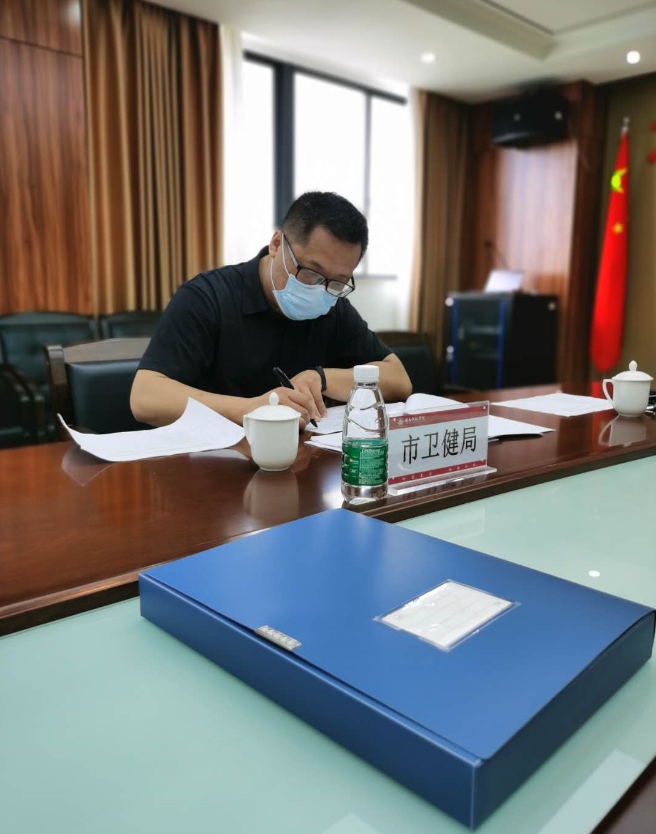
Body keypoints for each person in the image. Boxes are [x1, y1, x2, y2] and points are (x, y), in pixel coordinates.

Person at [130, 191, 412, 429]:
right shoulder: (207, 297)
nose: (320, 290)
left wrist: (322, 377)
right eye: (311, 273)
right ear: (277, 244)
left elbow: (398, 379)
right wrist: (253, 409)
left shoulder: (333, 307)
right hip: (212, 461)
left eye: (338, 282)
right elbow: (145, 397)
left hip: (301, 464)